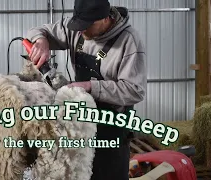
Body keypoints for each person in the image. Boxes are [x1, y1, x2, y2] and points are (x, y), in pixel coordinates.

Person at [25, 0, 147, 179]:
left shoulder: (129, 41)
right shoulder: (79, 27)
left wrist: (89, 87)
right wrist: (41, 41)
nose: (81, 31)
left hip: (111, 124)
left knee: (108, 173)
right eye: (79, 25)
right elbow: (37, 31)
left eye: (87, 26)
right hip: (81, 122)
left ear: (105, 18)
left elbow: (135, 90)